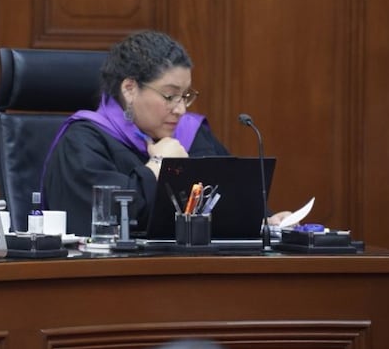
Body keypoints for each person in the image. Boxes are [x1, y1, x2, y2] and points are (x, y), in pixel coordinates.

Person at [41, 30, 289, 236]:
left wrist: (265, 220)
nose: (180, 109)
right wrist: (158, 167)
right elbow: (100, 221)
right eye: (170, 96)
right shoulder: (84, 142)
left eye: (185, 96)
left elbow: (229, 196)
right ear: (130, 89)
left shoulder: (190, 134)